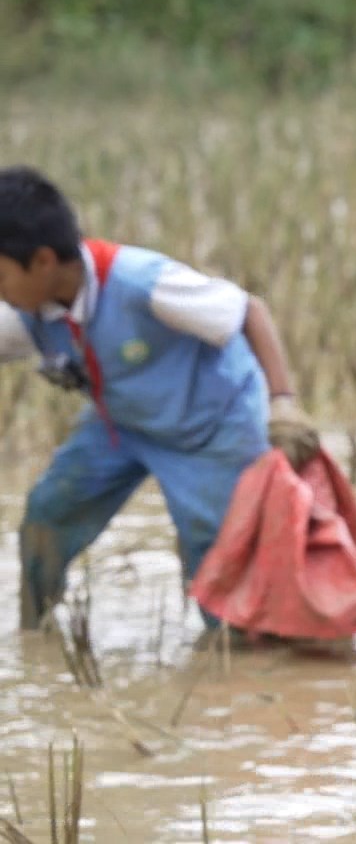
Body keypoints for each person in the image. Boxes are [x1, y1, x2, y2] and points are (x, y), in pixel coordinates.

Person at [0, 166, 320, 630]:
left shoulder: (143, 283)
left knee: (215, 554)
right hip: (122, 425)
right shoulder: (28, 312)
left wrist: (284, 402)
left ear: (43, 260)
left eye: (2, 276)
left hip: (211, 429)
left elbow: (248, 310)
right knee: (49, 513)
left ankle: (232, 666)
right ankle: (34, 630)